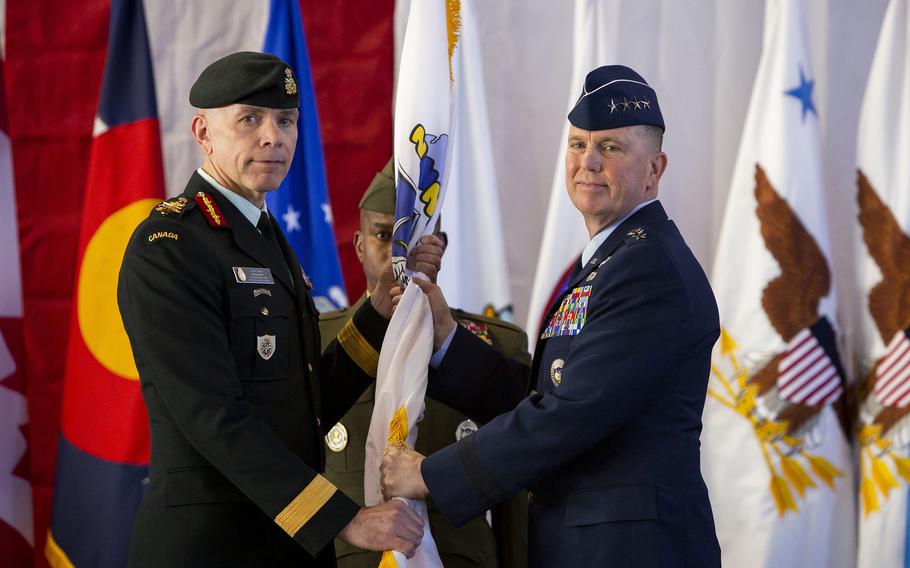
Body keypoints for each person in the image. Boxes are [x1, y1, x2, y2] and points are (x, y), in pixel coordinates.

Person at [380, 65, 722, 567]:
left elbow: (573, 413)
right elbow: (552, 394)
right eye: (578, 145)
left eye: (611, 148)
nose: (588, 163)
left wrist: (432, 474)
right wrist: (448, 340)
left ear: (655, 169)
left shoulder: (648, 268)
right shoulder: (613, 259)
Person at [117, 52, 441, 567]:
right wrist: (345, 519)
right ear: (203, 132)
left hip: (283, 541)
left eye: (286, 120)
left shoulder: (263, 236)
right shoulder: (171, 245)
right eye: (250, 119)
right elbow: (214, 417)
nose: (274, 136)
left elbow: (301, 399)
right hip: (210, 546)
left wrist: (378, 310)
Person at [318, 159, 531, 567]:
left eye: (414, 240)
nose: (397, 254)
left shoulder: (494, 346)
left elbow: (515, 495)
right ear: (360, 245)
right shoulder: (320, 341)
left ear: (439, 246)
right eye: (385, 236)